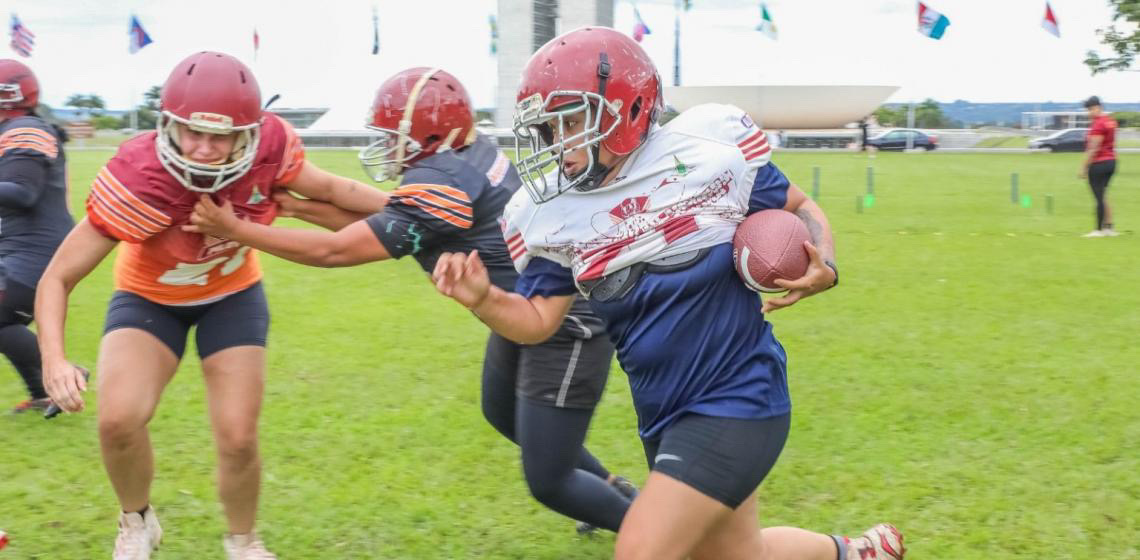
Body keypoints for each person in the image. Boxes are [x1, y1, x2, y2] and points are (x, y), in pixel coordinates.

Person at [432, 27, 904, 560]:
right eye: (547, 125)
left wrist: (826, 264)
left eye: (570, 120)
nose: (554, 141)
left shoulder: (710, 149)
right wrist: (482, 299)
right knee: (736, 555)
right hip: (663, 414)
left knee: (641, 549)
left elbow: (797, 207)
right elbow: (539, 321)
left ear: (627, 107)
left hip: (739, 395)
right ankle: (857, 553)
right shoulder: (547, 215)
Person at [184, 67, 636, 534]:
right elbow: (390, 215)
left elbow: (337, 251)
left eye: (392, 135)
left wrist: (237, 231)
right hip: (516, 304)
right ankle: (612, 487)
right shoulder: (464, 157)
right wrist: (300, 207)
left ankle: (655, 527)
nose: (386, 145)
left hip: (562, 322)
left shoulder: (444, 182)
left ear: (429, 132)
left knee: (550, 481)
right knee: (501, 411)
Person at [36, 51, 386, 560]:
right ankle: (136, 521)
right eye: (191, 132)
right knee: (117, 420)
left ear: (248, 135)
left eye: (219, 136)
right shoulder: (139, 176)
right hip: (149, 296)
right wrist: (53, 358)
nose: (202, 149)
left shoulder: (271, 150)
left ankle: (243, 542)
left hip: (233, 294)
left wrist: (412, 205)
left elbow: (337, 193)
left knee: (239, 436)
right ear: (167, 126)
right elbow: (58, 276)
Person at [0, 59, 74, 414]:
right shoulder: (19, 128)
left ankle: (65, 374)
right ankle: (44, 393)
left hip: (37, 254)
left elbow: (22, 192)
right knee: (3, 323)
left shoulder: (26, 128)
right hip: (25, 250)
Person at [1079, 96, 1119, 238]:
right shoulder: (1110, 121)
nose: (1089, 113)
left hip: (1099, 163)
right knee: (1104, 195)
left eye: (1090, 109)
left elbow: (1093, 148)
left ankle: (1098, 230)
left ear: (1097, 107)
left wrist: (1084, 167)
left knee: (1099, 197)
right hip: (1111, 162)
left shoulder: (1098, 124)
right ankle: (1109, 228)